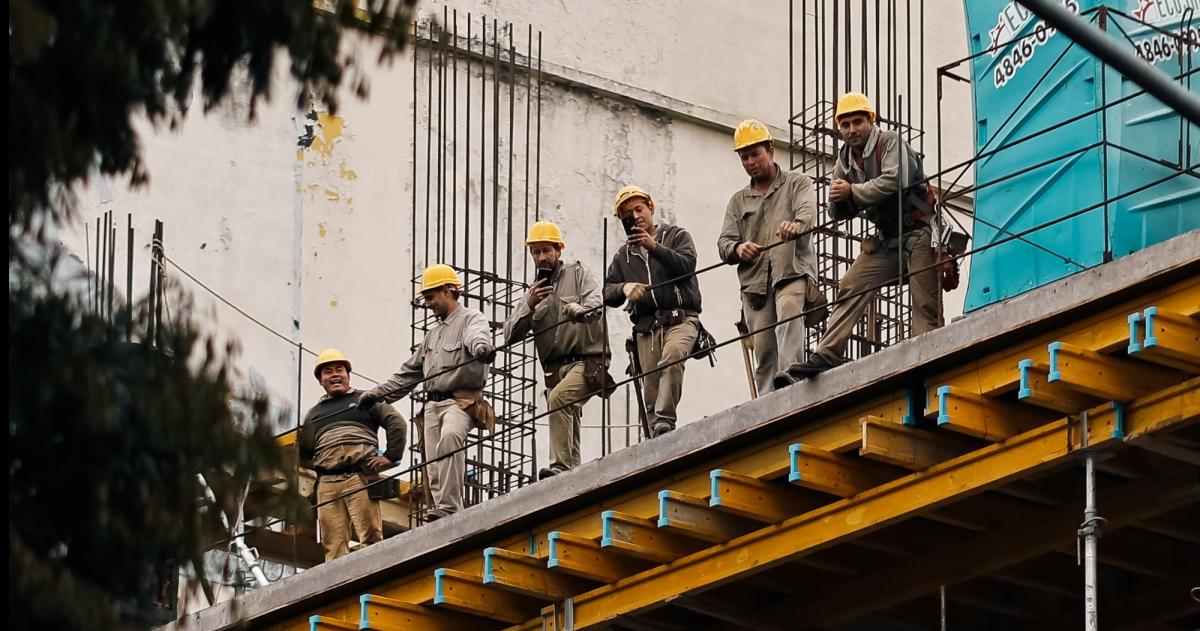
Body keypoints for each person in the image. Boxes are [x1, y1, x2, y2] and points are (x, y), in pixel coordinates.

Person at [775, 92, 943, 387]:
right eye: (845, 124)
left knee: (925, 302)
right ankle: (828, 352)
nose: (851, 130)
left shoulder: (889, 142)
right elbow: (838, 212)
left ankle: (928, 356)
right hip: (887, 238)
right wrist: (840, 200)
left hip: (919, 230)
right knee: (852, 283)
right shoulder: (844, 160)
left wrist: (852, 192)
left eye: (857, 122)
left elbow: (896, 180)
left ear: (870, 121)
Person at [356, 264, 496, 521]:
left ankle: (451, 508)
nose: (427, 304)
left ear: (449, 290)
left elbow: (477, 337)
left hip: (459, 401)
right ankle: (442, 510)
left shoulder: (471, 319)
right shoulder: (432, 336)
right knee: (432, 462)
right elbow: (408, 373)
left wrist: (481, 349)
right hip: (432, 406)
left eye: (431, 297)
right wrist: (376, 394)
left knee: (451, 438)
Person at [717, 119, 819, 396]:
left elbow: (808, 213)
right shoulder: (738, 201)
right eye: (744, 157)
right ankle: (766, 401)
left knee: (789, 315)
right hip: (755, 284)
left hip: (791, 270)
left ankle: (792, 380)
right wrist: (738, 249)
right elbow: (724, 242)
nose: (750, 161)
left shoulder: (797, 183)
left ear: (770, 151)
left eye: (755, 154)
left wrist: (795, 226)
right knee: (762, 346)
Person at [504, 220, 609, 479]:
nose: (542, 257)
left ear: (558, 250)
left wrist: (582, 310)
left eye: (546, 250)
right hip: (553, 370)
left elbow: (597, 301)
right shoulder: (532, 293)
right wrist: (528, 305)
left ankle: (560, 469)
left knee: (559, 399)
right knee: (566, 411)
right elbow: (508, 335)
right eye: (536, 252)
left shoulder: (578, 274)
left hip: (586, 363)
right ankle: (574, 474)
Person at [603, 185, 701, 438]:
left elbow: (687, 265)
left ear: (650, 208)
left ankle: (665, 421)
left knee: (674, 355)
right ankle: (655, 438)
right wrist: (624, 288)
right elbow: (607, 292)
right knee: (650, 386)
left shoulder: (676, 235)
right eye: (628, 213)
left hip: (680, 318)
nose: (635, 216)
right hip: (647, 328)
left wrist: (654, 247)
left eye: (639, 209)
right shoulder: (623, 256)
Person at [298, 348, 406, 561]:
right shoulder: (314, 413)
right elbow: (304, 451)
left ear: (348, 375)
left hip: (359, 476)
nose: (335, 375)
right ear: (321, 380)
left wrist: (391, 456)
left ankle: (372, 581)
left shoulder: (365, 400)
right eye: (328, 371)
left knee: (371, 537)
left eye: (340, 369)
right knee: (333, 545)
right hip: (327, 483)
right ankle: (340, 589)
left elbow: (396, 423)